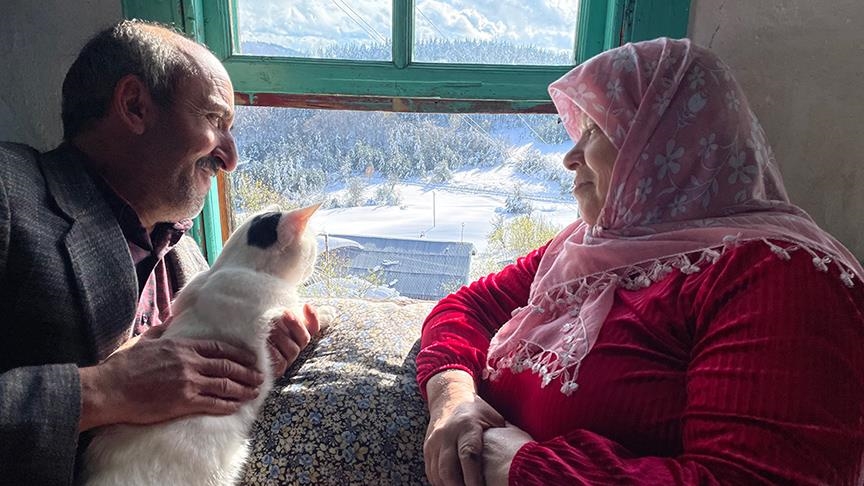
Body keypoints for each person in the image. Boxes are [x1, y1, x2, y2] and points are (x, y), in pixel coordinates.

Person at [417, 37, 864, 485]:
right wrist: (454, 399)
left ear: (663, 143)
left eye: (596, 131)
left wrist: (524, 466)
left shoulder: (778, 278)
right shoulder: (586, 250)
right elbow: (464, 309)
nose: (571, 157)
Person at [0, 20, 323, 484]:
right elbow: (133, 388)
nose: (230, 158)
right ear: (134, 106)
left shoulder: (188, 256)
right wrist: (102, 392)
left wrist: (246, 371)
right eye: (215, 121)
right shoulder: (11, 193)